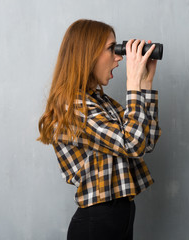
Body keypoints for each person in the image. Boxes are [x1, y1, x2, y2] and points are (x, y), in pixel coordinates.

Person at [37, 19, 161, 240]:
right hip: (96, 223)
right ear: (88, 54)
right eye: (111, 49)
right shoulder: (73, 106)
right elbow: (130, 143)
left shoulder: (101, 102)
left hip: (120, 217)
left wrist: (145, 83)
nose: (119, 57)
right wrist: (132, 81)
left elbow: (144, 142)